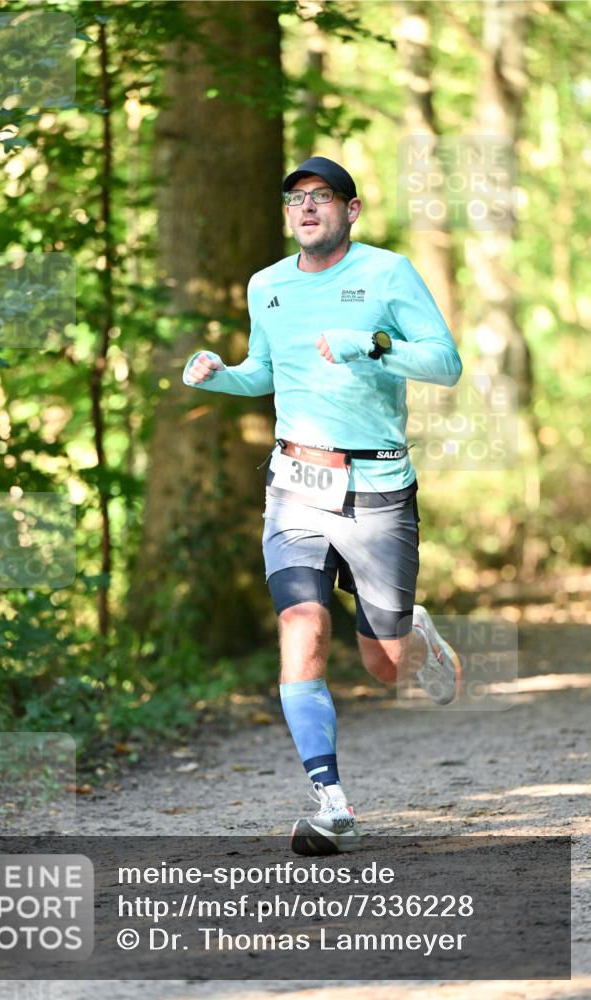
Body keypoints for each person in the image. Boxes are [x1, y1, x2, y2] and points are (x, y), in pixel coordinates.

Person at [182, 155, 463, 856]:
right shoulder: (267, 285)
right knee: (301, 623)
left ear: (351, 209)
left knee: (384, 664)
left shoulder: (387, 272)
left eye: (322, 197)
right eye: (295, 199)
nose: (306, 208)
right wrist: (220, 376)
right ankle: (330, 801)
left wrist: (372, 346)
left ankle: (415, 634)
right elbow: (264, 375)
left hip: (376, 489)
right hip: (294, 486)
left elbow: (445, 362)